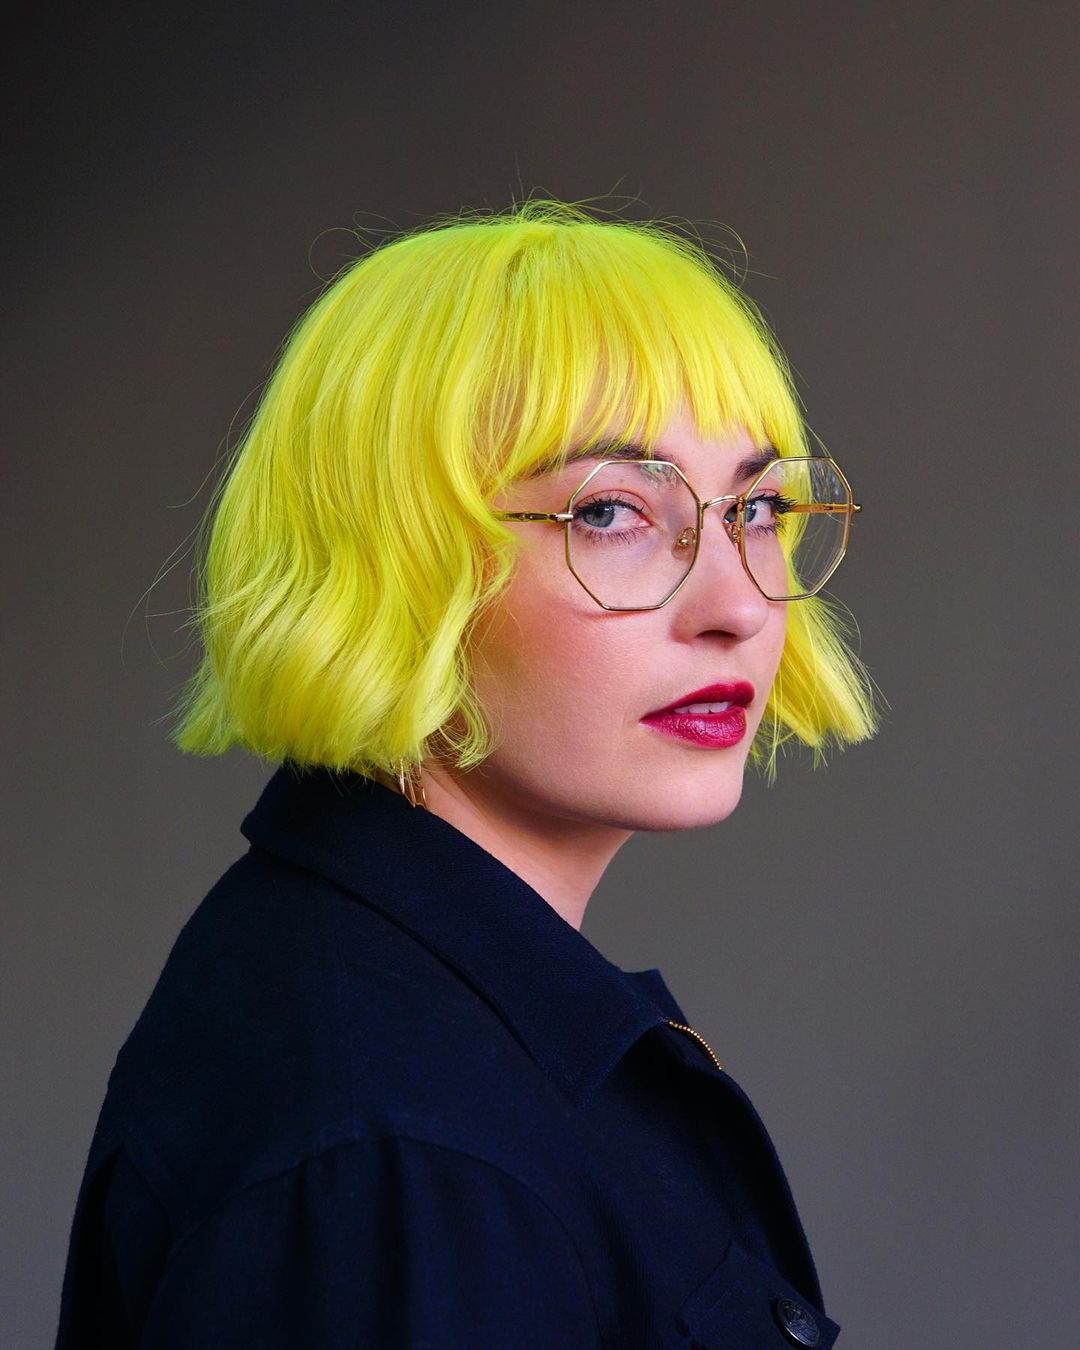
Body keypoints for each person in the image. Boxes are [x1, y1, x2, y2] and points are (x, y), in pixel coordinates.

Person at [55, 198, 876, 1348]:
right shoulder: (400, 1160)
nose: (737, 603)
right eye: (611, 511)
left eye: (758, 507)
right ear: (393, 562)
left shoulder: (383, 1014)